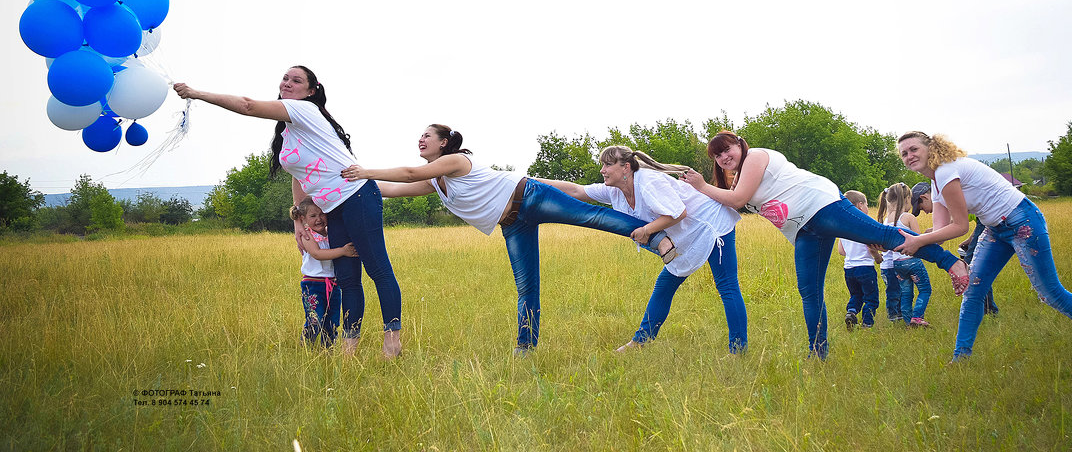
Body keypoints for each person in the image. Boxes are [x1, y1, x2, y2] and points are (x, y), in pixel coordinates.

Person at [341, 125, 678, 354]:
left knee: (591, 217)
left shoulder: (457, 161)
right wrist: (349, 183)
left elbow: (410, 173)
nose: (421, 139)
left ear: (444, 143)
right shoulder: (436, 182)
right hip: (512, 222)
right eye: (420, 136)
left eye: (427, 136)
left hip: (529, 195)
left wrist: (365, 169)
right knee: (527, 287)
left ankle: (658, 238)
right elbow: (393, 189)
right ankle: (525, 347)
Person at [173, 66, 403, 359]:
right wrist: (298, 219)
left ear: (311, 91)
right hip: (332, 207)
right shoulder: (289, 129)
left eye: (297, 80)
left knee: (378, 269)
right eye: (285, 78)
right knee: (346, 277)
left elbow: (247, 105)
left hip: (357, 196)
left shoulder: (304, 109)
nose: (288, 83)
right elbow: (299, 175)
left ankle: (392, 341)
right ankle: (349, 349)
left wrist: (196, 93)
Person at [681, 131, 969, 360]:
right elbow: (726, 201)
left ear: (740, 145)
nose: (723, 157)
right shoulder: (736, 179)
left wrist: (701, 185)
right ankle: (817, 352)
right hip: (803, 230)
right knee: (808, 290)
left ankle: (952, 262)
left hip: (822, 205)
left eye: (726, 149)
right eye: (717, 156)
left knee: (888, 237)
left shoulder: (755, 156)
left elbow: (738, 200)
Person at [896, 131, 1072, 366]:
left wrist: (919, 242)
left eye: (914, 149)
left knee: (1051, 293)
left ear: (929, 147)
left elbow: (961, 227)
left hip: (1022, 220)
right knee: (973, 292)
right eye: (904, 153)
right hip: (996, 228)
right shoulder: (936, 182)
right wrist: (906, 240)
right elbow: (940, 232)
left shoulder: (946, 171)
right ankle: (960, 361)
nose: (909, 156)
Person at [540, 145, 748, 354]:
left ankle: (738, 351)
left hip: (711, 225)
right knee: (665, 284)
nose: (602, 170)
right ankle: (640, 342)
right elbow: (576, 190)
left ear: (626, 168)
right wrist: (533, 182)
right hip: (688, 235)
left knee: (727, 286)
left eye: (607, 165)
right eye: (602, 165)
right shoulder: (614, 191)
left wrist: (646, 230)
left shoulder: (649, 182)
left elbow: (679, 213)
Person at [289, 197, 358, 347]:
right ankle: (306, 347)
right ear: (303, 218)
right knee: (315, 319)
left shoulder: (332, 233)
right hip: (313, 284)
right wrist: (343, 251)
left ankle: (327, 350)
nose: (318, 219)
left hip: (333, 284)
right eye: (313, 216)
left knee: (332, 321)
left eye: (322, 214)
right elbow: (317, 254)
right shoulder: (307, 235)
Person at [879, 182, 933, 327]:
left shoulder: (886, 220)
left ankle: (908, 321)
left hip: (897, 264)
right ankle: (917, 317)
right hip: (912, 262)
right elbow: (918, 240)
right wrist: (929, 235)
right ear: (907, 199)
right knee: (925, 289)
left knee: (906, 292)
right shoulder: (908, 218)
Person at [837, 190, 881, 331]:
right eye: (867, 204)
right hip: (865, 268)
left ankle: (851, 312)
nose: (868, 207)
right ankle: (867, 325)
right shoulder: (866, 224)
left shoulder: (842, 227)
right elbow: (873, 246)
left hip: (849, 269)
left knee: (856, 295)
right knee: (871, 298)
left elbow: (841, 251)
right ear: (860, 205)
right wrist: (878, 256)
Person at [958, 218, 999, 316]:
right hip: (987, 223)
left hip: (991, 221)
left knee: (971, 265)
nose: (925, 212)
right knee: (976, 267)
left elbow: (958, 223)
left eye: (921, 207)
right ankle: (987, 308)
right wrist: (970, 240)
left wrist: (934, 231)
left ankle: (988, 309)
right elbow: (980, 225)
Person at [876, 190, 904, 323]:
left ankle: (898, 313)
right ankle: (894, 315)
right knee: (894, 291)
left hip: (889, 264)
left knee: (896, 290)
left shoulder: (886, 220)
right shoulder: (893, 220)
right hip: (890, 265)